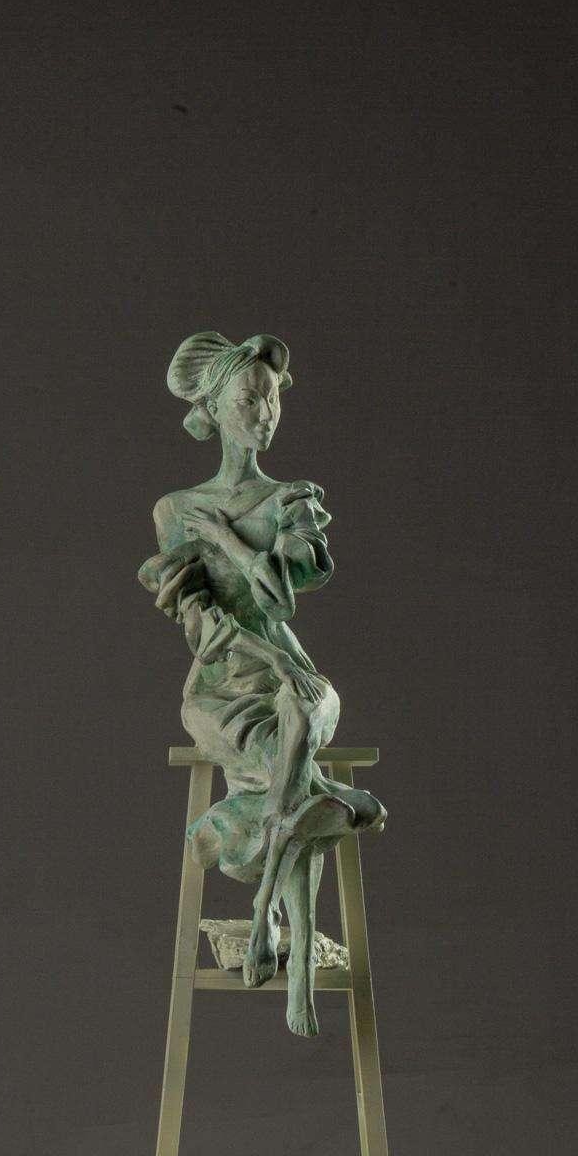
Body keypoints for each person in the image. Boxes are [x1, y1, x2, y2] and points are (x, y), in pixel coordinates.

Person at [139, 331, 386, 1036]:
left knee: (308, 709)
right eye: (250, 400)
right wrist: (270, 661)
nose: (266, 413)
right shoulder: (176, 511)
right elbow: (203, 626)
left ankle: (266, 908)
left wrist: (227, 541)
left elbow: (280, 600)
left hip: (291, 669)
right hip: (224, 681)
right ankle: (295, 950)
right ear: (214, 407)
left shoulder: (293, 500)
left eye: (273, 399)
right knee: (292, 760)